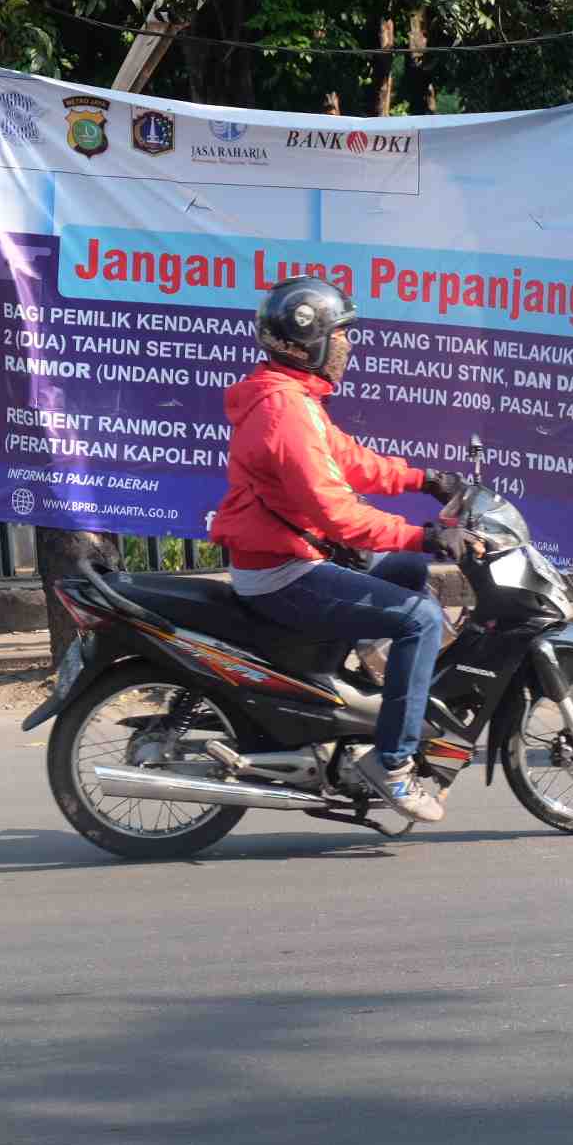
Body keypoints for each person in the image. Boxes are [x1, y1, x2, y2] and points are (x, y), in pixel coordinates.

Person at [209, 277, 473, 822]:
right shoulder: (284, 412)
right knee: (421, 619)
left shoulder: (291, 399)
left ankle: (351, 696)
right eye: (342, 334)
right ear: (308, 342)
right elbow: (337, 514)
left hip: (288, 558)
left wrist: (425, 479)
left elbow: (351, 462)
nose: (349, 346)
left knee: (404, 572)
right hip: (283, 572)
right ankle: (394, 764)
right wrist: (421, 534)